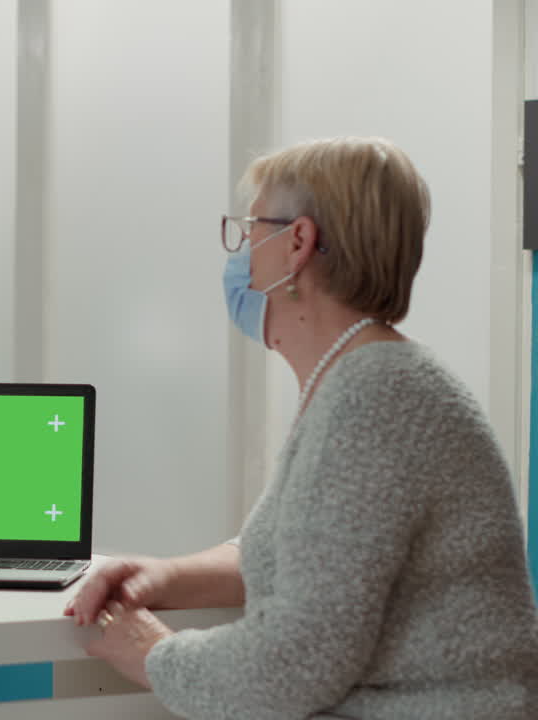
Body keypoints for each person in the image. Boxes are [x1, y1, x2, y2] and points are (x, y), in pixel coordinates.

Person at [66, 136, 538, 718]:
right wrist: (166, 575)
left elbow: (293, 665)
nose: (240, 255)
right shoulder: (362, 378)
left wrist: (153, 653)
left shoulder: (376, 399)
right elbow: (315, 555)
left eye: (248, 231)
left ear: (297, 242)